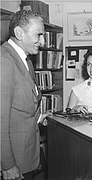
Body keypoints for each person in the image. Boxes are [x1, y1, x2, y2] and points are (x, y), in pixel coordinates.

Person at [1, 10, 47, 180]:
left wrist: (39, 116)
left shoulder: (25, 60)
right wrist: (8, 165)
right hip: (13, 162)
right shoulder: (4, 61)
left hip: (28, 157)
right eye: (38, 35)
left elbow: (23, 105)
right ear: (19, 33)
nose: (42, 41)